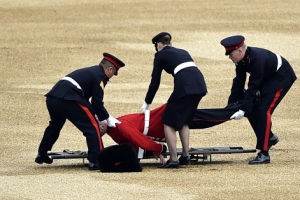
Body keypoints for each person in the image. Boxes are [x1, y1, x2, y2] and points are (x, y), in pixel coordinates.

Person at [35, 52, 125, 170]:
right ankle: (96, 160)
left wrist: (97, 115)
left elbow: (87, 102)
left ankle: (42, 153)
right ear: (110, 69)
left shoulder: (91, 71)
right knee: (92, 127)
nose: (112, 76)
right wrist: (106, 118)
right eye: (114, 73)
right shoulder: (100, 76)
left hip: (53, 98)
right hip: (69, 98)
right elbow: (97, 103)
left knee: (55, 126)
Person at [220, 35, 297, 164]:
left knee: (263, 110)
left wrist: (243, 109)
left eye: (230, 54)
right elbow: (238, 82)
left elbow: (253, 86)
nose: (229, 57)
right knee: (252, 108)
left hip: (281, 77)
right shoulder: (242, 60)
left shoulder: (257, 59)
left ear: (240, 51)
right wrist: (232, 104)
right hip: (267, 78)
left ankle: (264, 152)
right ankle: (269, 137)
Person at [141, 32, 208, 168]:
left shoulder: (160, 55)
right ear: (170, 43)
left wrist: (147, 103)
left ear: (158, 45)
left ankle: (173, 159)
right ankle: (186, 155)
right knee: (184, 120)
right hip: (200, 84)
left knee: (168, 121)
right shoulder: (183, 51)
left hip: (185, 86)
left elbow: (155, 82)